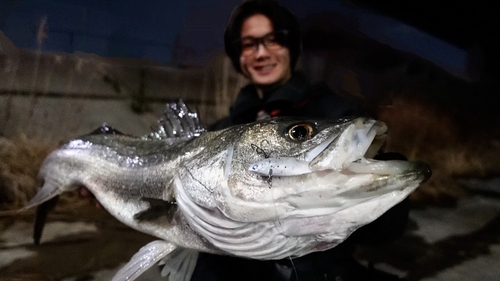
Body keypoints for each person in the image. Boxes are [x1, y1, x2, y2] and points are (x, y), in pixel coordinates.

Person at [191, 1, 408, 281]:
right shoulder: (219, 131)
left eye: (274, 40)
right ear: (238, 57)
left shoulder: (336, 114)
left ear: (292, 47)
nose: (261, 53)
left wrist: (384, 195)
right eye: (248, 44)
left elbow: (379, 229)